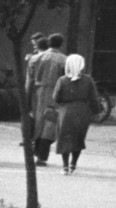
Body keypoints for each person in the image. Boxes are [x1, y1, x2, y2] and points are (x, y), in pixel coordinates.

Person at [51, 54, 102, 175]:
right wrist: (96, 111)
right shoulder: (88, 80)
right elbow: (94, 98)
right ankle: (73, 164)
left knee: (64, 139)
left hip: (66, 111)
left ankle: (65, 166)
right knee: (78, 139)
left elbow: (56, 97)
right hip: (83, 111)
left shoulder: (62, 80)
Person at [25, 34, 67, 162]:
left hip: (37, 93)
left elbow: (29, 81)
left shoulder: (35, 58)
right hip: (56, 93)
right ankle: (42, 156)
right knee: (50, 124)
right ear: (61, 44)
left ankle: (35, 152)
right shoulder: (64, 60)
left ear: (48, 43)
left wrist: (26, 99)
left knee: (38, 122)